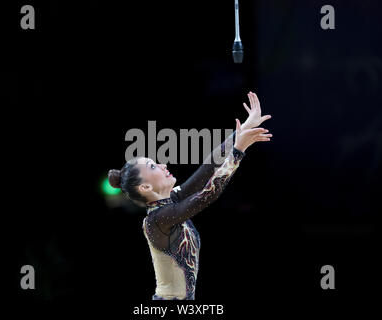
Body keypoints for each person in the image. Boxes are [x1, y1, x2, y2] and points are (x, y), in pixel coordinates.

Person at [108, 91, 272, 300]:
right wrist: (238, 150)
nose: (162, 165)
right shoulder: (156, 220)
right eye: (153, 166)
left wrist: (242, 131)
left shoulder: (170, 202)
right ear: (146, 188)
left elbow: (207, 170)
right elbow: (207, 195)